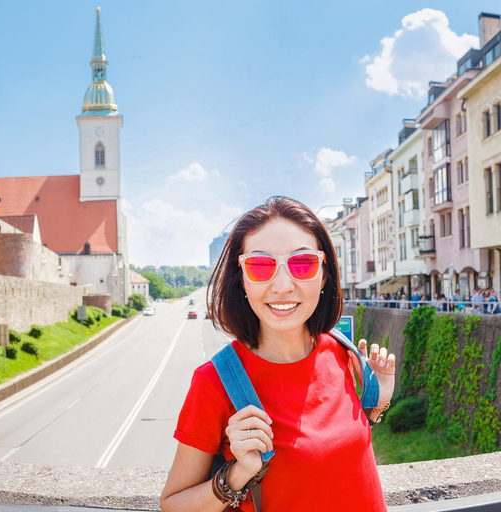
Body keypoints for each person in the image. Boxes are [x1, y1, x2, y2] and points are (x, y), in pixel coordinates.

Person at [160, 197, 395, 512]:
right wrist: (238, 471)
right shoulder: (214, 382)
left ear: (324, 275)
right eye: (260, 266)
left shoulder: (340, 350)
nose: (283, 285)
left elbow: (331, 457)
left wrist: (376, 405)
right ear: (241, 279)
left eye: (302, 264)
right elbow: (174, 505)